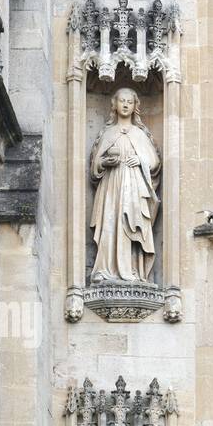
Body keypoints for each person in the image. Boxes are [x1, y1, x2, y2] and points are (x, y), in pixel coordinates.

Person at [89, 87, 161, 283]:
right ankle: (105, 268)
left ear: (135, 106)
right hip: (111, 185)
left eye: (130, 101)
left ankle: (132, 270)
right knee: (110, 222)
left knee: (131, 224)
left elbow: (154, 162)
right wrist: (105, 162)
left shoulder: (140, 134)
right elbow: (95, 163)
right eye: (122, 100)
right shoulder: (108, 133)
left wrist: (140, 160)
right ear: (115, 104)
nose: (126, 104)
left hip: (134, 187)